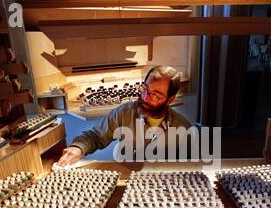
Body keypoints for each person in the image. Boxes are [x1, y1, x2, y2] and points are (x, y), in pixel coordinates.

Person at [57, 65, 192, 167]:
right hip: (127, 177)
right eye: (145, 89)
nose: (145, 98)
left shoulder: (183, 128)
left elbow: (190, 167)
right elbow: (95, 137)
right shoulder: (123, 113)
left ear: (170, 100)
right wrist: (78, 147)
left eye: (156, 95)